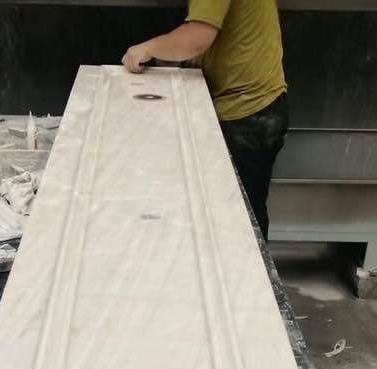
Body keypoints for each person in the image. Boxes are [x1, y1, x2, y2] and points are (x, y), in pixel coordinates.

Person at [122, 0, 287, 239]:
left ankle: (242, 263)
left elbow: (197, 37)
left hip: (246, 114)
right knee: (245, 215)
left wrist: (146, 49)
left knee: (237, 226)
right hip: (257, 107)